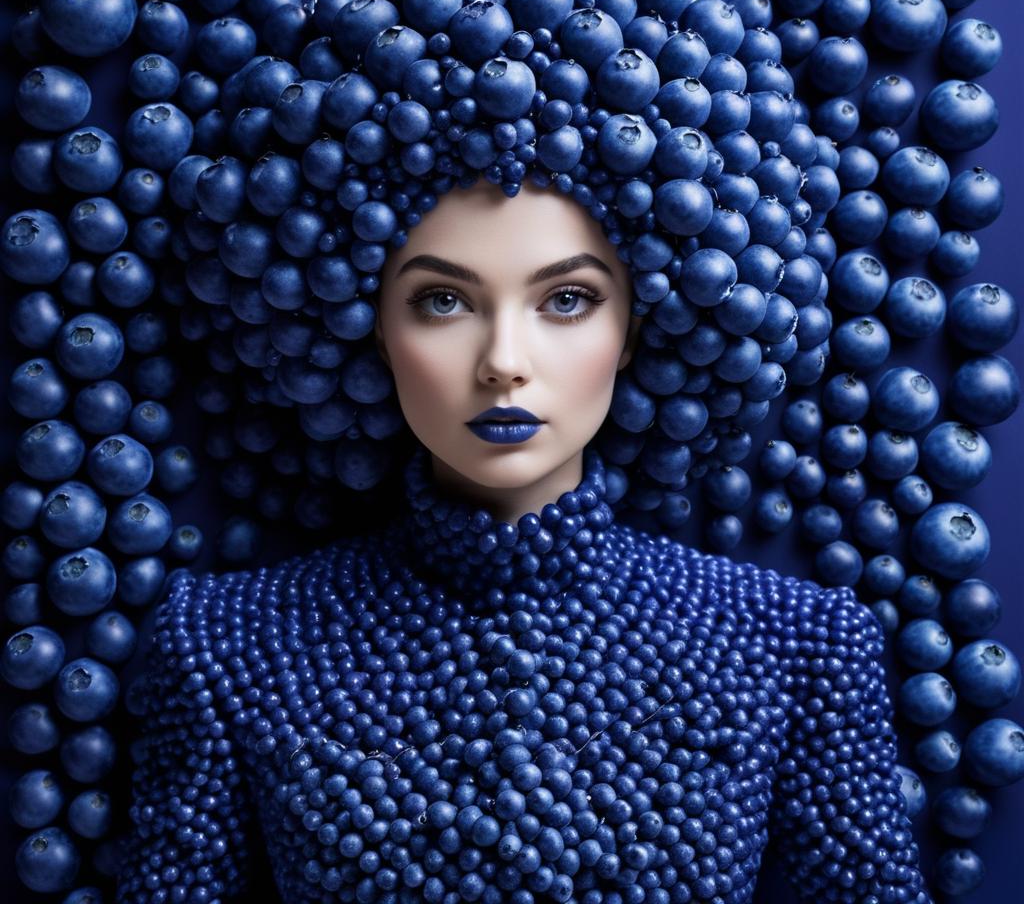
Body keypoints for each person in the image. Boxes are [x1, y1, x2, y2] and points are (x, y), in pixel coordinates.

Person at [115, 177, 932, 904]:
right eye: (442, 300)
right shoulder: (226, 646)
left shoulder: (800, 646)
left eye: (566, 299)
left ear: (639, 328)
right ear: (369, 330)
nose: (504, 362)